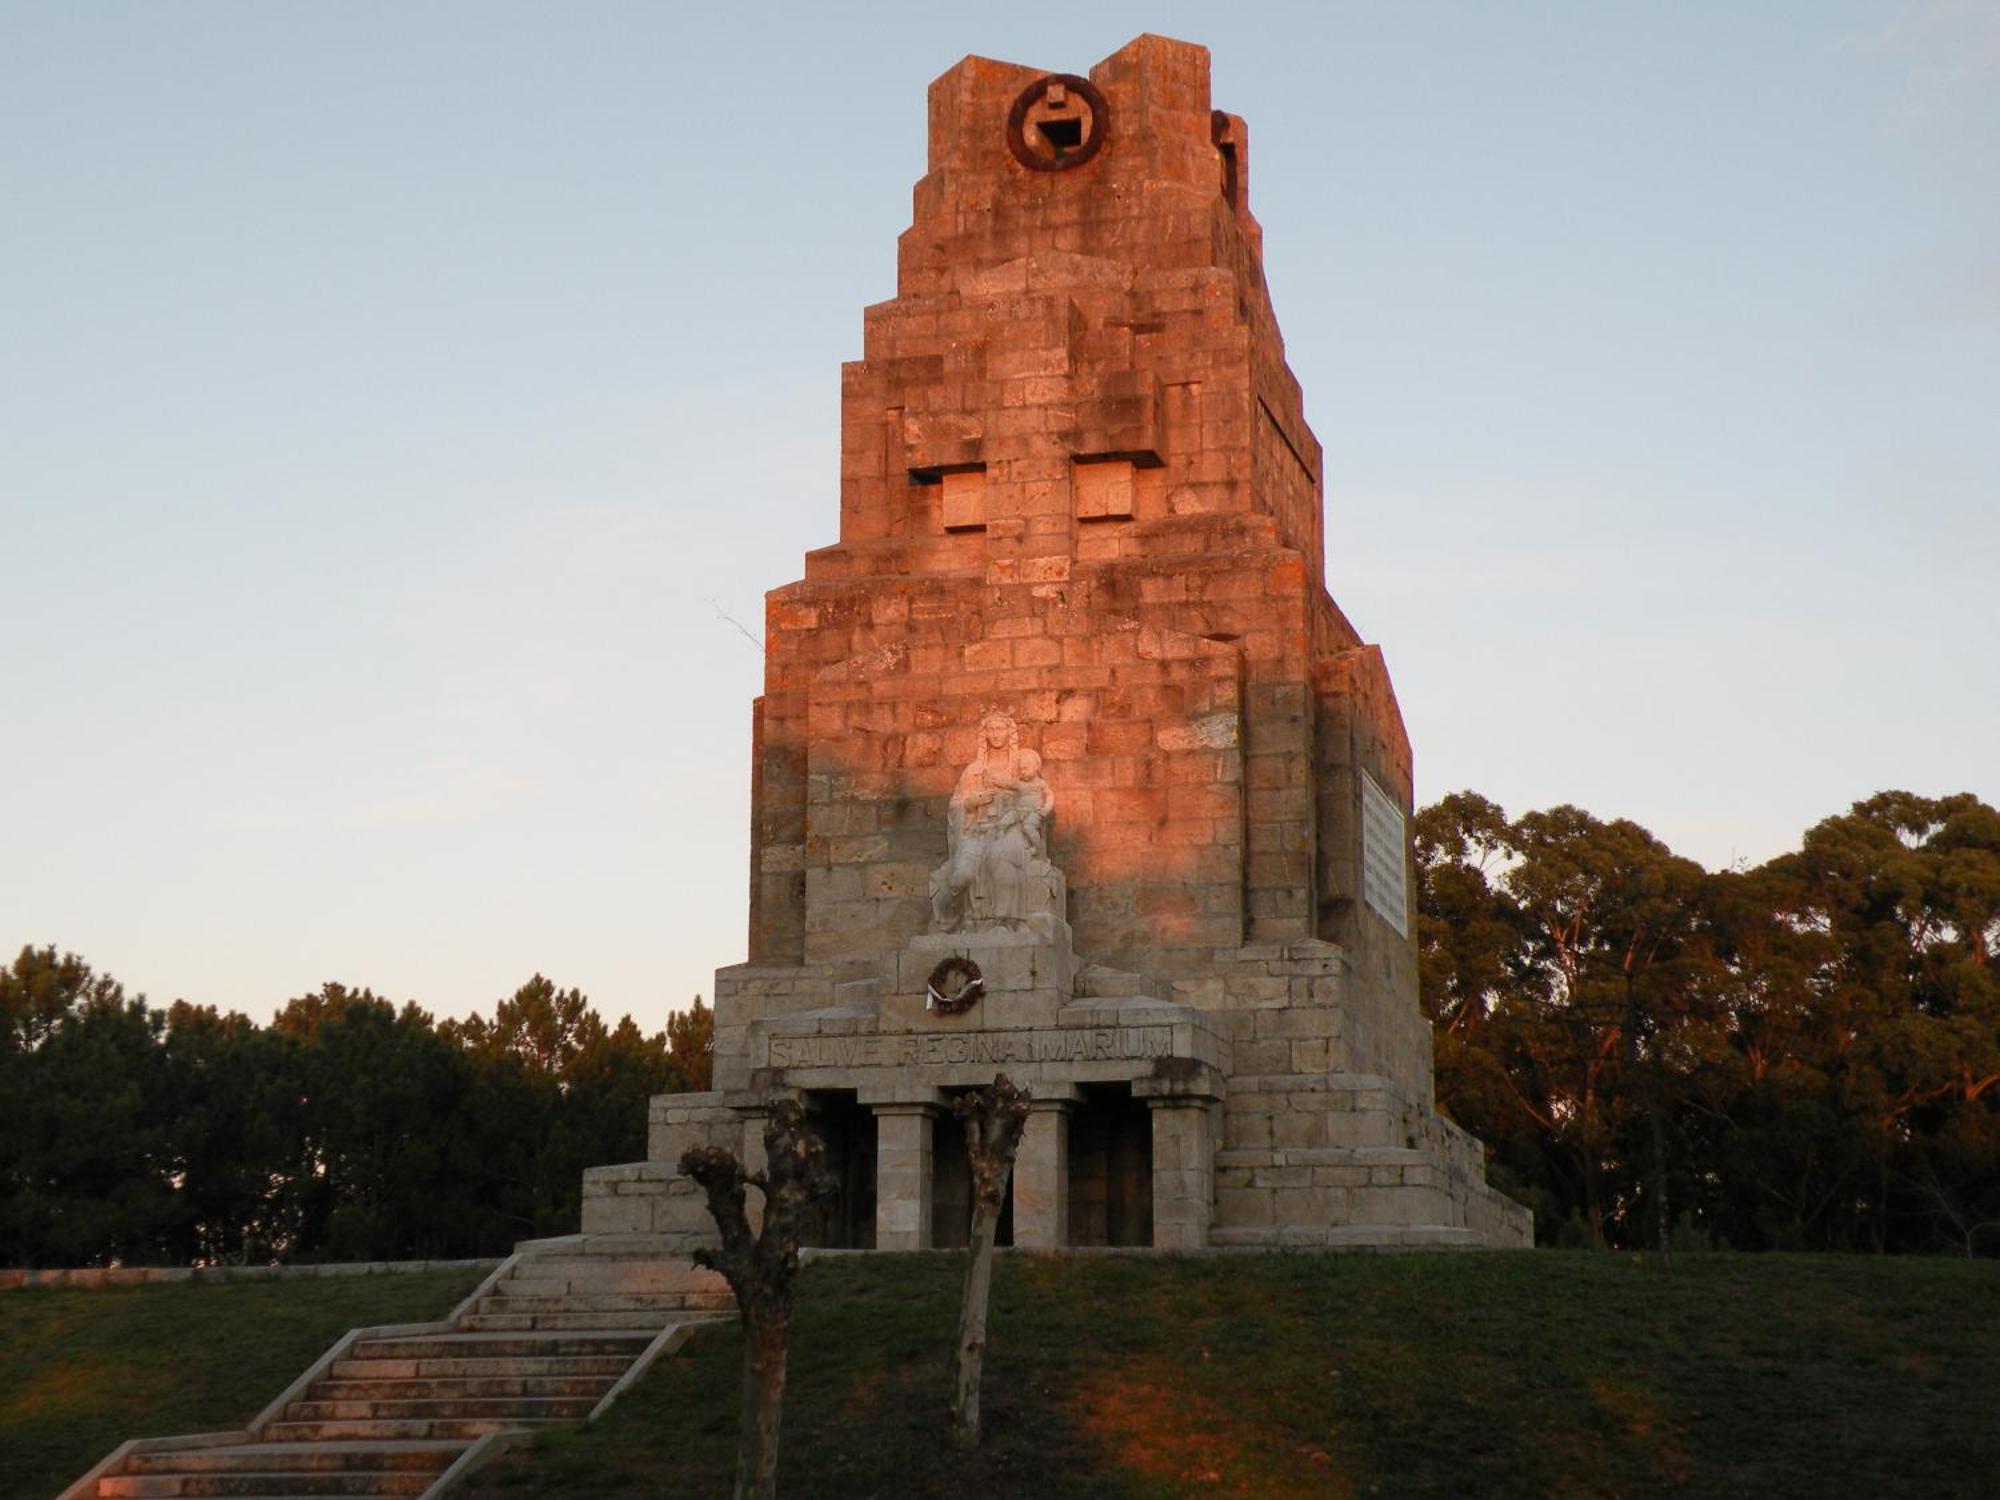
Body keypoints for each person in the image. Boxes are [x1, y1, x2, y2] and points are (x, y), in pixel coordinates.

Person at [929, 712, 1054, 931]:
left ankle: (1005, 921)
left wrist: (1027, 814)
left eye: (1001, 729)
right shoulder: (973, 771)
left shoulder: (1022, 766)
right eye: (991, 730)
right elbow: (956, 804)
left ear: (1010, 732)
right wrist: (970, 802)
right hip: (977, 831)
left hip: (1011, 830)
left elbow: (1038, 795)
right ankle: (958, 922)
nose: (996, 735)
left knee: (1000, 858)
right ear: (984, 734)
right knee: (961, 875)